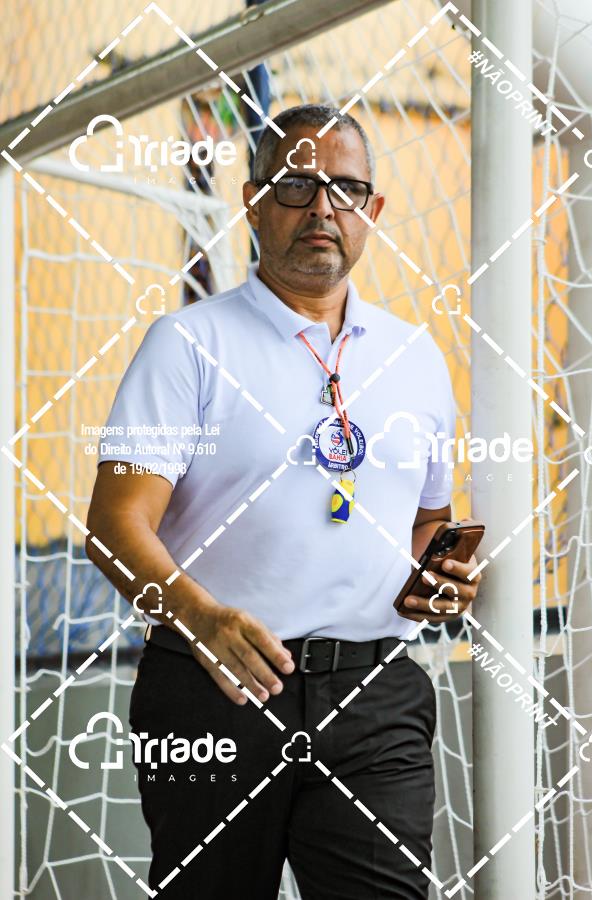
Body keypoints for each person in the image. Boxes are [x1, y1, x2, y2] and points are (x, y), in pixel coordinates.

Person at [86, 103, 481, 899]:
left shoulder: (416, 357)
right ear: (253, 201)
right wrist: (203, 619)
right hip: (215, 694)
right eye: (297, 185)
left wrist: (439, 574)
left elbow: (428, 519)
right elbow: (113, 526)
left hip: (374, 699)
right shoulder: (187, 345)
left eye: (345, 189)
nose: (322, 207)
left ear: (373, 209)